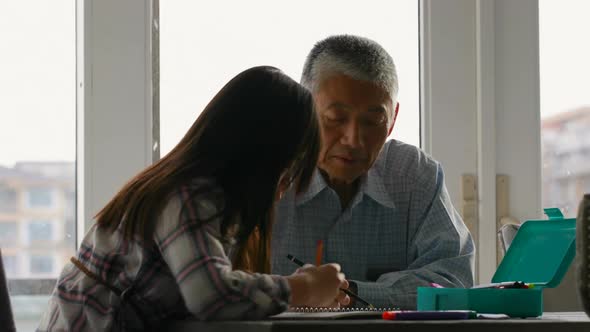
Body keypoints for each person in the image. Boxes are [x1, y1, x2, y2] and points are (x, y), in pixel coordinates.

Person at [37, 66, 350, 331]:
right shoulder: (188, 196)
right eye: (287, 169)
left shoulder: (201, 198)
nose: (283, 188)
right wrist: (302, 289)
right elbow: (210, 296)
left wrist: (299, 290)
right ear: (259, 157)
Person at [271, 35, 475, 309]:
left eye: (372, 121)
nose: (353, 139)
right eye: (335, 118)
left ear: (392, 121)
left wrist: (349, 293)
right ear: (304, 110)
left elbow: (453, 279)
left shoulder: (413, 176)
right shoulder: (268, 174)